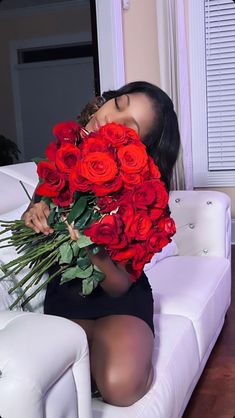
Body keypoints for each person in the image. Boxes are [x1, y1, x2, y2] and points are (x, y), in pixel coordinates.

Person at [22, 81, 180, 407]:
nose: (112, 119)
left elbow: (120, 286)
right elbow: (39, 205)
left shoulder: (143, 194)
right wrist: (36, 211)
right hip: (66, 298)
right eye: (118, 103)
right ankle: (97, 351)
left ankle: (128, 352)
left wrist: (92, 246)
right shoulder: (64, 158)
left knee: (120, 387)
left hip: (118, 296)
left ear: (142, 149)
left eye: (130, 127)